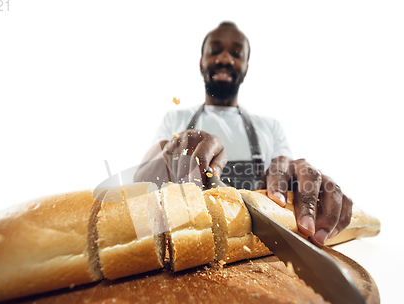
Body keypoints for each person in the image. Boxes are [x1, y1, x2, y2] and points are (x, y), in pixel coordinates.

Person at [134, 22, 352, 247]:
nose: (225, 59)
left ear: (246, 67)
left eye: (236, 54)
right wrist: (169, 155)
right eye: (214, 51)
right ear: (201, 63)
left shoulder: (270, 127)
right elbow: (139, 181)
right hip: (189, 241)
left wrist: (306, 186)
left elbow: (288, 178)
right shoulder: (175, 120)